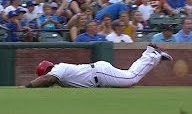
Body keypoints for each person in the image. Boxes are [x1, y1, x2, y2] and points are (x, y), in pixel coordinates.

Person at [22, 43, 173, 88]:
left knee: (131, 78)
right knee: (129, 75)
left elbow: (48, 80)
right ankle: (150, 53)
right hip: (98, 75)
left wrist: (28, 87)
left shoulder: (58, 69)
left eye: (43, 75)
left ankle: (153, 55)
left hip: (99, 73)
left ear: (47, 71)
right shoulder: (59, 74)